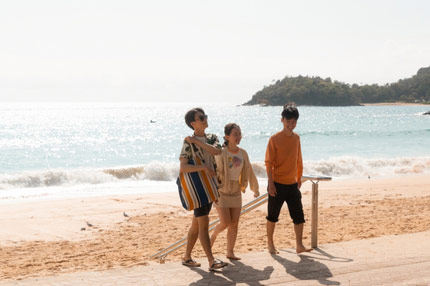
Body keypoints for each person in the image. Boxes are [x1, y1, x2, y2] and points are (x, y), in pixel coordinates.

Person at [179, 107, 228, 271]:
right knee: (203, 223)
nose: (205, 118)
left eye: (205, 116)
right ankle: (211, 261)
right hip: (198, 188)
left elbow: (217, 151)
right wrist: (203, 168)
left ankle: (186, 257)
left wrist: (198, 142)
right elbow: (183, 167)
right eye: (201, 117)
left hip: (210, 186)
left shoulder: (212, 137)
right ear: (193, 123)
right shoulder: (187, 142)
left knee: (196, 224)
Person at [265, 103, 313, 254]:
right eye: (288, 121)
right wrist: (270, 184)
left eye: (294, 122)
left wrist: (299, 176)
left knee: (299, 216)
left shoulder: (297, 138)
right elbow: (268, 163)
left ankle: (299, 245)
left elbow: (298, 158)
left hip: (292, 184)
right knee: (272, 216)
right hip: (277, 184)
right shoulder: (274, 139)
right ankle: (270, 244)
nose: (291, 125)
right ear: (282, 120)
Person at [210, 123, 260, 260]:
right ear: (227, 136)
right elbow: (215, 171)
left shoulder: (243, 153)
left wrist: (255, 189)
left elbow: (249, 170)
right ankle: (213, 236)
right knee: (225, 222)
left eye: (239, 134)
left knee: (234, 223)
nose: (238, 137)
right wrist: (213, 191)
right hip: (222, 191)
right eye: (235, 134)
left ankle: (230, 252)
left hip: (236, 192)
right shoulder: (221, 152)